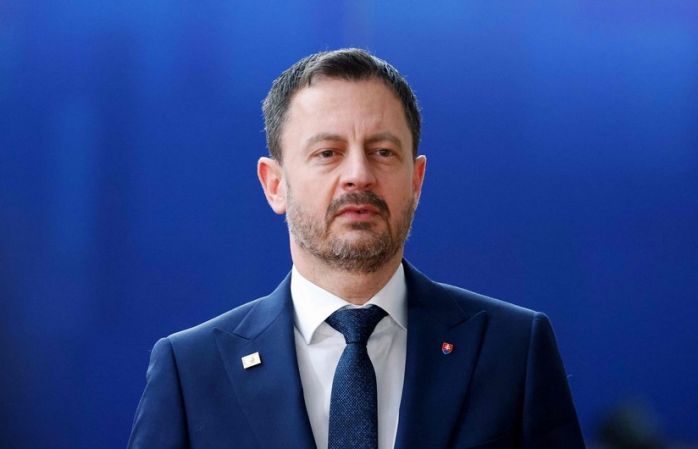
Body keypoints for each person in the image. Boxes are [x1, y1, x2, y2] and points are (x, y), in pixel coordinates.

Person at [127, 48, 585, 449]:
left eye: (382, 152)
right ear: (274, 184)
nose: (358, 175)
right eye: (327, 153)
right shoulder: (191, 371)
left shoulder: (512, 350)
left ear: (416, 180)